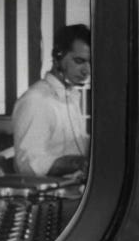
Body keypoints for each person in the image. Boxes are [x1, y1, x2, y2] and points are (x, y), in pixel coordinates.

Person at [12, 24, 91, 177]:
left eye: (90, 63)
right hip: (52, 190)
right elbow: (28, 165)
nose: (86, 70)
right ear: (58, 56)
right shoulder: (35, 100)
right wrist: (78, 163)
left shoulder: (71, 96)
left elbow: (74, 145)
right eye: (79, 61)